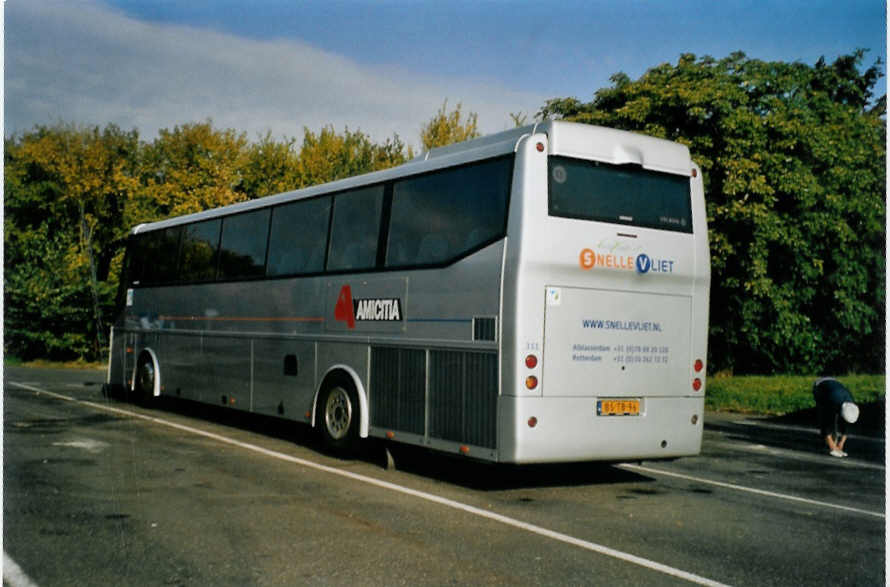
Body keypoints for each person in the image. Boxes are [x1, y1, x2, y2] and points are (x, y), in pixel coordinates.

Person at [812, 377, 859, 458]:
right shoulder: (831, 402)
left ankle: (832, 441)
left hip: (835, 384)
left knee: (835, 422)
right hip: (820, 386)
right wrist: (833, 448)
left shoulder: (851, 406)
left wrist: (841, 443)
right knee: (827, 418)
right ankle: (828, 443)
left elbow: (846, 425)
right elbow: (825, 423)